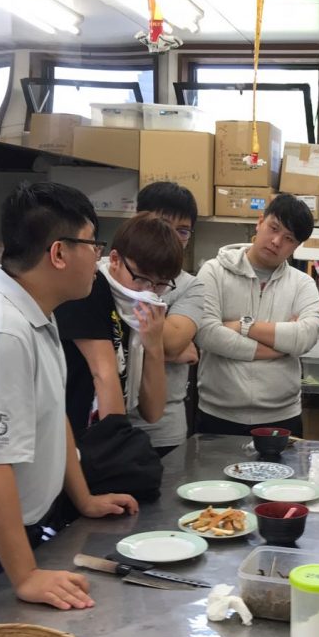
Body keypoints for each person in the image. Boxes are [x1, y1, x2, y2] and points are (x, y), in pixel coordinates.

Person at [0, 182, 137, 631]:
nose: (98, 257)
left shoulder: (36, 311)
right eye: (93, 244)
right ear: (58, 253)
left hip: (9, 531)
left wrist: (85, 498)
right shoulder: (2, 333)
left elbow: (52, 418)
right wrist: (25, 574)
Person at [194, 193, 319, 436]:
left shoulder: (302, 284)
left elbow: (305, 337)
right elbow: (207, 333)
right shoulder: (213, 272)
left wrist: (241, 326)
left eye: (288, 239)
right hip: (218, 414)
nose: (276, 241)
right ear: (259, 221)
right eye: (273, 228)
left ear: (296, 246)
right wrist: (279, 346)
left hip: (282, 417)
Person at [56, 212, 181, 440]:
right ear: (115, 259)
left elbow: (152, 412)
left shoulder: (139, 306)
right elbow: (103, 375)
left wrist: (154, 345)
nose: (149, 291)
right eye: (141, 278)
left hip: (98, 436)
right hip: (70, 435)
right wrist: (117, 455)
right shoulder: (89, 289)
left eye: (160, 284)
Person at [126, 182, 204, 458]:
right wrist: (166, 345)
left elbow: (171, 343)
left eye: (182, 231)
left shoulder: (191, 285)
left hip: (163, 429)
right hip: (103, 422)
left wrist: (168, 347)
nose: (170, 236)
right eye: (161, 224)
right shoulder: (108, 271)